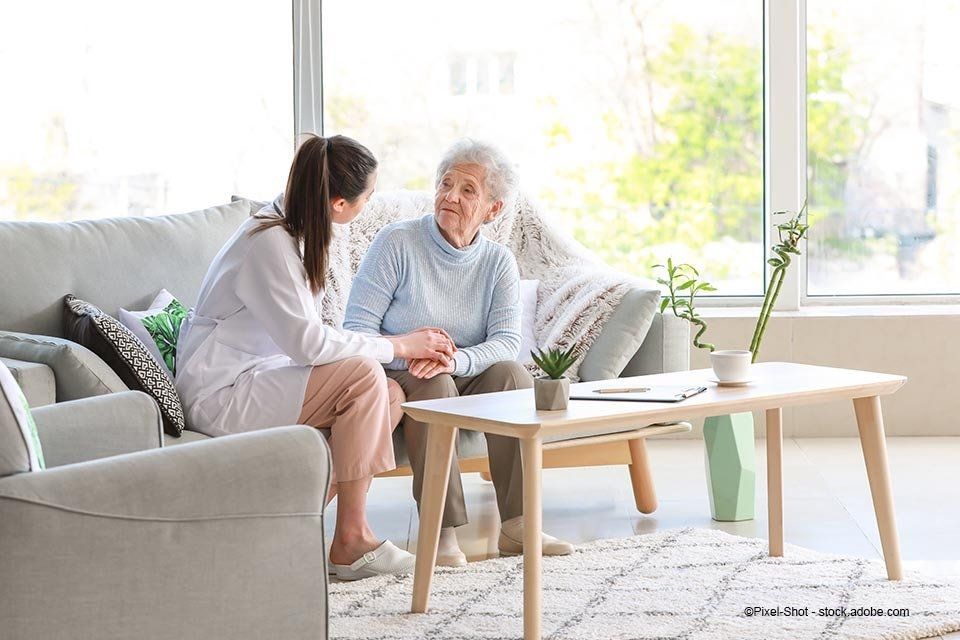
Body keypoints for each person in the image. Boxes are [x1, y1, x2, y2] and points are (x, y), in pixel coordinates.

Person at [175, 134, 456, 581]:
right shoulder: (268, 244)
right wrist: (400, 345)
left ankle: (281, 526)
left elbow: (309, 340)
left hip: (257, 378)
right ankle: (351, 539)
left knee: (389, 395)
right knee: (365, 377)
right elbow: (308, 345)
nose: (369, 203)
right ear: (339, 204)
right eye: (368, 196)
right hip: (221, 394)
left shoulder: (294, 232)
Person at [343, 138, 574, 566]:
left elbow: (506, 341)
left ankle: (518, 524)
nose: (450, 196)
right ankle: (441, 530)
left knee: (512, 376)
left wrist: (455, 360)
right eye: (445, 184)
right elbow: (357, 331)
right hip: (400, 371)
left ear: (493, 209)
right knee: (435, 386)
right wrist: (412, 354)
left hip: (461, 368)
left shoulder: (498, 262)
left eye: (468, 190)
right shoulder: (396, 243)